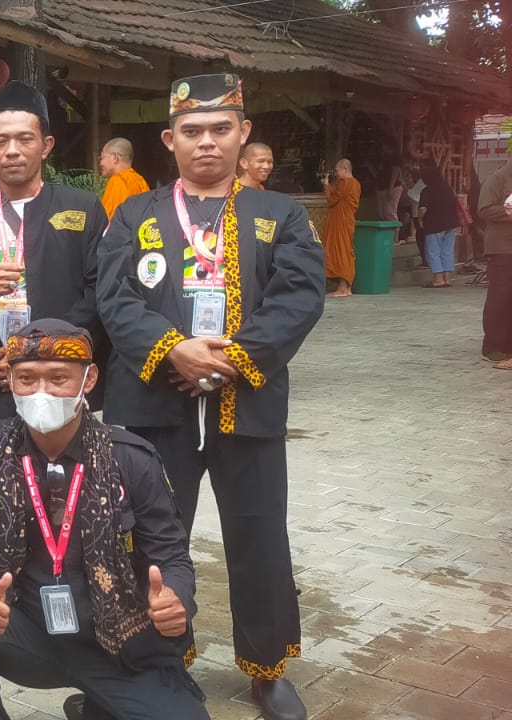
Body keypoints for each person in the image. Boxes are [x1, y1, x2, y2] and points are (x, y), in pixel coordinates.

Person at [97, 73, 322, 720]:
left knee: (258, 535)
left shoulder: (281, 215)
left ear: (243, 132)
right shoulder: (133, 215)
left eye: (220, 129)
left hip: (246, 401)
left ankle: (267, 666)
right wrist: (173, 347)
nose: (206, 142)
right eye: (191, 131)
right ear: (169, 139)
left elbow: (300, 297)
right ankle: (162, 658)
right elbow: (112, 298)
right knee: (149, 535)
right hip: (152, 404)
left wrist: (235, 359)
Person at [0, 321, 204, 720]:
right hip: (26, 629)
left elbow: (173, 556)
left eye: (59, 378)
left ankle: (97, 704)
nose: (42, 391)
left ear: (89, 379)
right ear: (8, 380)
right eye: (26, 378)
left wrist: (176, 597)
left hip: (117, 639)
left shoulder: (130, 457)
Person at [0, 81, 107, 453]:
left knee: (63, 496)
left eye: (24, 139)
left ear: (46, 146)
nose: (12, 151)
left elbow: (100, 295)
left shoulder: (82, 210)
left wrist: (35, 351)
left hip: (59, 381)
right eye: (1, 141)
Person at [478, 159, 512, 368]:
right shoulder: (498, 178)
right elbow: (484, 210)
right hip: (503, 248)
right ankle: (493, 346)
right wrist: (507, 212)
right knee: (500, 297)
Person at [416, 160, 459, 288]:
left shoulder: (427, 191)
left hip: (434, 224)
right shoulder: (448, 188)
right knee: (447, 251)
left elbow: (422, 208)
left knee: (433, 251)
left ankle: (438, 279)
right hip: (451, 224)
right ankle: (447, 279)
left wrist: (419, 220)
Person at [320, 159, 359, 297]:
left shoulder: (346, 183)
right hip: (345, 221)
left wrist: (326, 186)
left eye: (337, 171)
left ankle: (343, 288)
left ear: (345, 169)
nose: (336, 174)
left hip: (341, 222)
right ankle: (346, 288)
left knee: (340, 251)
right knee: (344, 251)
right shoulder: (355, 184)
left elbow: (332, 200)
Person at [97, 138, 149, 220]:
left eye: (102, 158)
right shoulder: (141, 181)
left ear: (115, 157)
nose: (100, 163)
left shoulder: (117, 181)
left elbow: (106, 220)